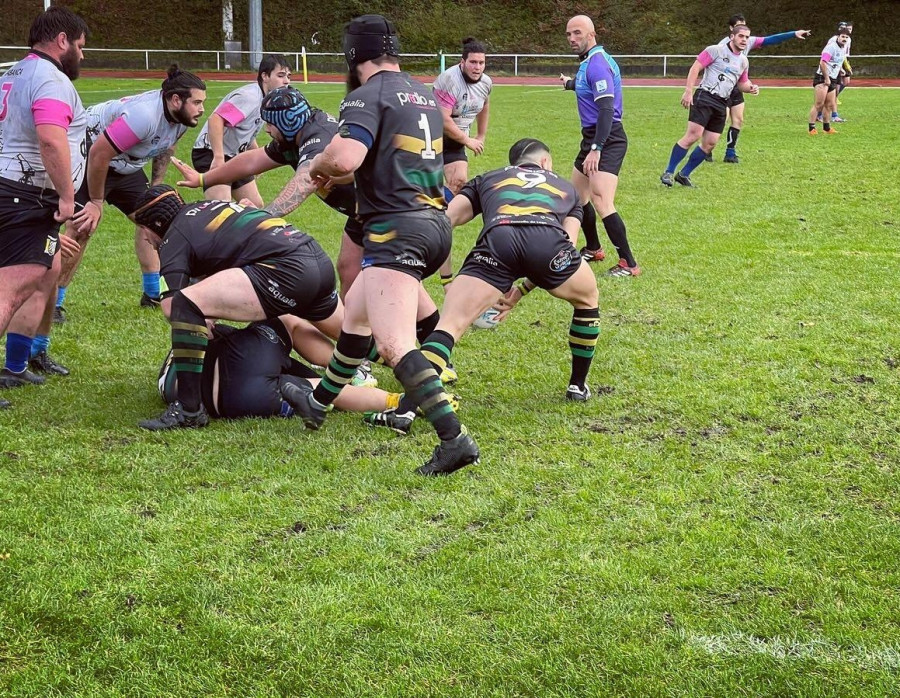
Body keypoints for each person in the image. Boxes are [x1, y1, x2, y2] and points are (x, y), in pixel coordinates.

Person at [287, 14, 479, 476]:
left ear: (353, 54)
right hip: (434, 223)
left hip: (398, 229)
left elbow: (348, 158)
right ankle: (318, 402)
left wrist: (319, 163)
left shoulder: (365, 95)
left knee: (394, 344)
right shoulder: (424, 93)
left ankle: (454, 440)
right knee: (355, 314)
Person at [365, 138, 600, 435]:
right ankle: (577, 386)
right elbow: (568, 245)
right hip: (548, 242)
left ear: (514, 164)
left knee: (449, 325)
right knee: (587, 298)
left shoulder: (488, 178)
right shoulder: (567, 188)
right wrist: (521, 291)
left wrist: (448, 279)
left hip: (498, 240)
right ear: (544, 163)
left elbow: (445, 222)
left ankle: (406, 411)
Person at [131, 185, 343, 431]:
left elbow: (171, 307)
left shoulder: (173, 238)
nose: (145, 238)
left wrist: (201, 315)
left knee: (184, 306)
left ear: (156, 225)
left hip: (283, 272)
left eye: (144, 230)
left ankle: (189, 411)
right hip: (313, 257)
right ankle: (395, 380)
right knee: (360, 338)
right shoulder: (204, 209)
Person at [58, 65, 206, 316]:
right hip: (89, 159)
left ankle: (152, 293)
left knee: (157, 218)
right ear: (175, 100)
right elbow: (99, 155)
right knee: (82, 227)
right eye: (197, 102)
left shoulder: (182, 119)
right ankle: (53, 302)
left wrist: (156, 187)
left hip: (124, 166)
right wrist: (96, 201)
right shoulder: (144, 116)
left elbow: (166, 148)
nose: (202, 109)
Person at [0, 6, 89, 408]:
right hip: (24, 195)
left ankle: (16, 365)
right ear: (62, 41)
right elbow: (50, 140)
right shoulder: (50, 78)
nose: (82, 57)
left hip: (8, 188)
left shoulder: (12, 73)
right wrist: (68, 198)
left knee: (47, 272)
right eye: (81, 46)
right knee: (11, 288)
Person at [155, 317, 402, 420]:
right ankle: (352, 367)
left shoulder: (176, 370)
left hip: (236, 403)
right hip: (242, 364)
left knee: (320, 387)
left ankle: (398, 402)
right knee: (287, 320)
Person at [559, 14, 639, 277]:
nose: (572, 38)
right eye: (569, 34)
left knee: (602, 200)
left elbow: (606, 109)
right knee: (576, 197)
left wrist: (597, 148)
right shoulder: (587, 64)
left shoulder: (597, 64)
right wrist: (569, 84)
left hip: (607, 138)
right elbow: (587, 88)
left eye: (577, 33)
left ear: (591, 34)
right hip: (592, 137)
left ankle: (629, 263)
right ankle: (593, 248)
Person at [660, 25, 759, 188]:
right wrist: (688, 90)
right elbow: (696, 67)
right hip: (705, 96)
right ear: (732, 36)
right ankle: (669, 172)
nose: (744, 40)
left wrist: (751, 87)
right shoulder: (715, 50)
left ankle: (684, 175)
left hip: (722, 102)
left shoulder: (743, 61)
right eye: (741, 36)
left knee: (710, 143)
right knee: (693, 135)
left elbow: (742, 84)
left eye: (747, 37)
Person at [190, 54, 291, 207]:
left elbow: (246, 132)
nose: (286, 81)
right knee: (221, 209)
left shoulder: (265, 99)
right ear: (265, 76)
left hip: (233, 156)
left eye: (288, 76)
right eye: (281, 75)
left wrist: (257, 160)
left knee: (255, 207)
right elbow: (216, 120)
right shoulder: (250, 97)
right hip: (209, 152)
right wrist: (218, 158)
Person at [431, 37, 492, 286]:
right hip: (433, 135)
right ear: (462, 62)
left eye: (482, 62)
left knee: (458, 182)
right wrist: (469, 141)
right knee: (423, 181)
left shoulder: (486, 82)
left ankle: (437, 221)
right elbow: (444, 120)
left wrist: (481, 135)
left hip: (458, 138)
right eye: (473, 62)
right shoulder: (449, 80)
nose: (477, 67)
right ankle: (424, 214)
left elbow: (485, 105)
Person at [711, 14, 811, 163]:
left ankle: (730, 153)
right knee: (721, 120)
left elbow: (770, 39)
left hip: (737, 86)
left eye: (745, 26)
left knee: (738, 119)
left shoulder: (748, 41)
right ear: (731, 30)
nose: (744, 33)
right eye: (739, 27)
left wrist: (793, 34)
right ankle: (707, 149)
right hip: (723, 87)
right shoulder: (721, 47)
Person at [808, 26, 851, 135]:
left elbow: (837, 61)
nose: (844, 39)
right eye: (842, 36)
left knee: (829, 104)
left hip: (832, 77)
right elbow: (823, 62)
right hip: (822, 77)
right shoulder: (831, 47)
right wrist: (826, 78)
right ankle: (811, 128)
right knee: (819, 104)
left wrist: (840, 70)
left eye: (846, 37)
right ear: (838, 37)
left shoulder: (843, 48)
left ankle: (826, 128)